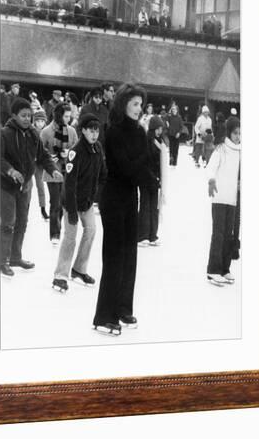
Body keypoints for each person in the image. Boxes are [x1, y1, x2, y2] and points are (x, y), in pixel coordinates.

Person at [93, 83, 157, 336]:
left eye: (141, 105)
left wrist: (152, 182)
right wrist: (146, 164)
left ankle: (122, 308)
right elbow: (125, 167)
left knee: (130, 256)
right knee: (114, 257)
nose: (139, 109)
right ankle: (103, 315)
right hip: (113, 197)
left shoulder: (140, 132)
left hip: (131, 198)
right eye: (134, 104)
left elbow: (144, 165)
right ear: (123, 104)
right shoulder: (114, 131)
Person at [0, 98, 62, 277]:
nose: (27, 119)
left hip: (25, 186)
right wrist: (10, 171)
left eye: (30, 116)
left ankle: (15, 257)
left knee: (22, 222)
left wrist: (53, 170)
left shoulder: (34, 134)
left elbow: (43, 156)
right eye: (23, 115)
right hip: (7, 186)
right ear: (14, 116)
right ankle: (2, 260)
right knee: (8, 224)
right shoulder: (5, 133)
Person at [52, 114, 106, 293]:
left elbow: (103, 174)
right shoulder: (76, 152)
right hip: (72, 202)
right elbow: (69, 183)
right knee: (70, 237)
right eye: (91, 130)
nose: (94, 133)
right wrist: (72, 211)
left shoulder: (97, 148)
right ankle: (60, 275)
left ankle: (79, 269)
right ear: (83, 130)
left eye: (97, 130)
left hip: (87, 201)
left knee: (91, 231)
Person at [206, 117, 241, 286]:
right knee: (218, 234)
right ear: (229, 132)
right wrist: (211, 180)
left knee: (229, 235)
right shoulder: (221, 149)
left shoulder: (241, 151)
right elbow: (211, 166)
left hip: (233, 199)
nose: (238, 136)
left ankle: (225, 269)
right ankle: (213, 270)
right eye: (235, 133)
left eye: (240, 133)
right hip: (220, 197)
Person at [40, 102, 78, 245]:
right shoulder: (46, 131)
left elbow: (77, 150)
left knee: (63, 203)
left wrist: (69, 153)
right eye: (66, 116)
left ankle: (58, 228)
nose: (68, 119)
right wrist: (49, 156)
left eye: (69, 116)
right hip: (52, 172)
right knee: (55, 202)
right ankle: (54, 233)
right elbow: (39, 153)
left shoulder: (72, 131)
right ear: (58, 115)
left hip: (67, 172)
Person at [138, 115, 167, 247]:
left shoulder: (160, 142)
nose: (160, 131)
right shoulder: (146, 141)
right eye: (158, 128)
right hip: (146, 179)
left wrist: (160, 179)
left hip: (155, 180)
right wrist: (153, 177)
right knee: (145, 207)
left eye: (161, 128)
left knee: (154, 207)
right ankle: (142, 235)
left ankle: (152, 235)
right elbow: (145, 162)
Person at [33, 110, 49, 221]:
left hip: (40, 163)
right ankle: (24, 208)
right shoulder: (30, 131)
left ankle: (43, 209)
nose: (40, 123)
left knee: (40, 186)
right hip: (29, 162)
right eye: (37, 121)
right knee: (26, 186)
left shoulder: (47, 132)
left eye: (42, 121)